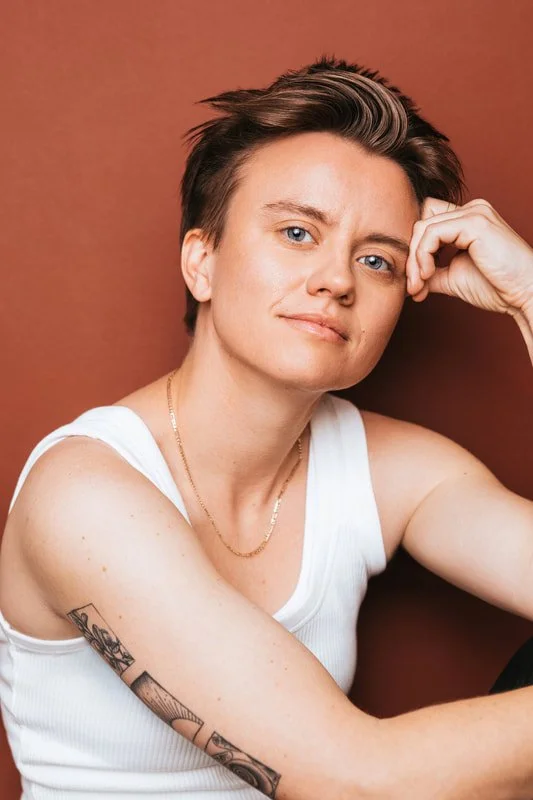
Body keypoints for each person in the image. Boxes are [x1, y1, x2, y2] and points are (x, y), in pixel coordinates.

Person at [1, 55, 533, 800]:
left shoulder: (391, 470)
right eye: (296, 232)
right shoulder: (83, 493)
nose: (336, 280)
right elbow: (353, 780)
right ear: (202, 261)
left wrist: (529, 295)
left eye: (376, 259)